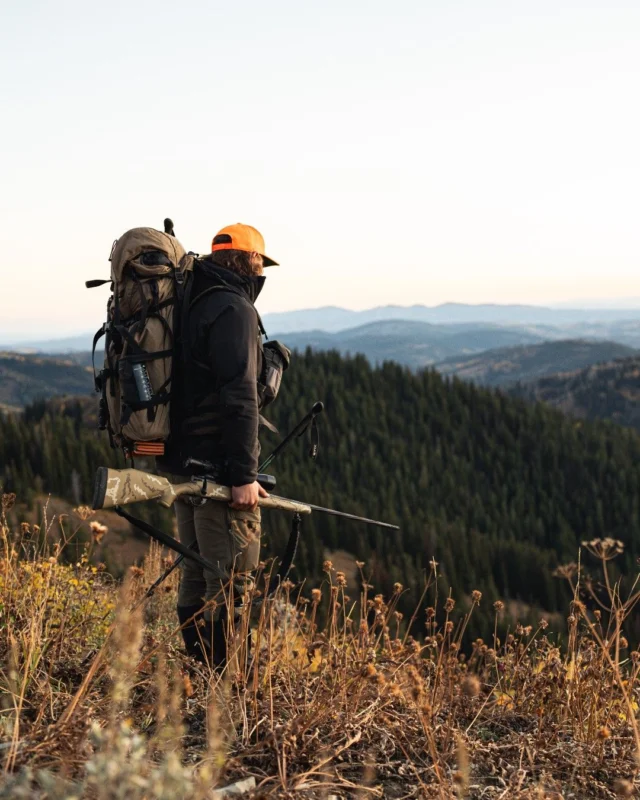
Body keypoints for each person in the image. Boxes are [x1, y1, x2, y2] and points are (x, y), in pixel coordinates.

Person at [157, 223, 280, 669]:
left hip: (182, 461)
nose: (262, 269)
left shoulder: (191, 298)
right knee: (230, 583)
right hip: (215, 467)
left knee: (196, 571)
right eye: (261, 262)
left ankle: (201, 675)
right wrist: (243, 477)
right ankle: (226, 687)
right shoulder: (234, 308)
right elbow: (239, 396)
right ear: (249, 261)